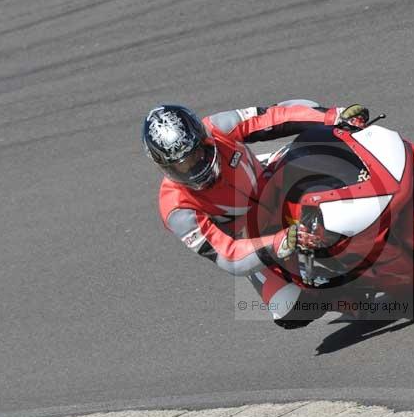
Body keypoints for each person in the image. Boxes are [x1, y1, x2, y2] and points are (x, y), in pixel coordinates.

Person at [142, 100, 369, 329]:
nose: (194, 167)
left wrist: (333, 116)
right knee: (288, 310)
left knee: (309, 115)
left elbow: (273, 117)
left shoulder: (218, 126)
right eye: (182, 166)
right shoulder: (176, 209)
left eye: (195, 154)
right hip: (252, 234)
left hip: (271, 178)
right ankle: (343, 296)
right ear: (164, 167)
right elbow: (228, 256)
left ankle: (375, 185)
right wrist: (276, 243)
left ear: (204, 139)